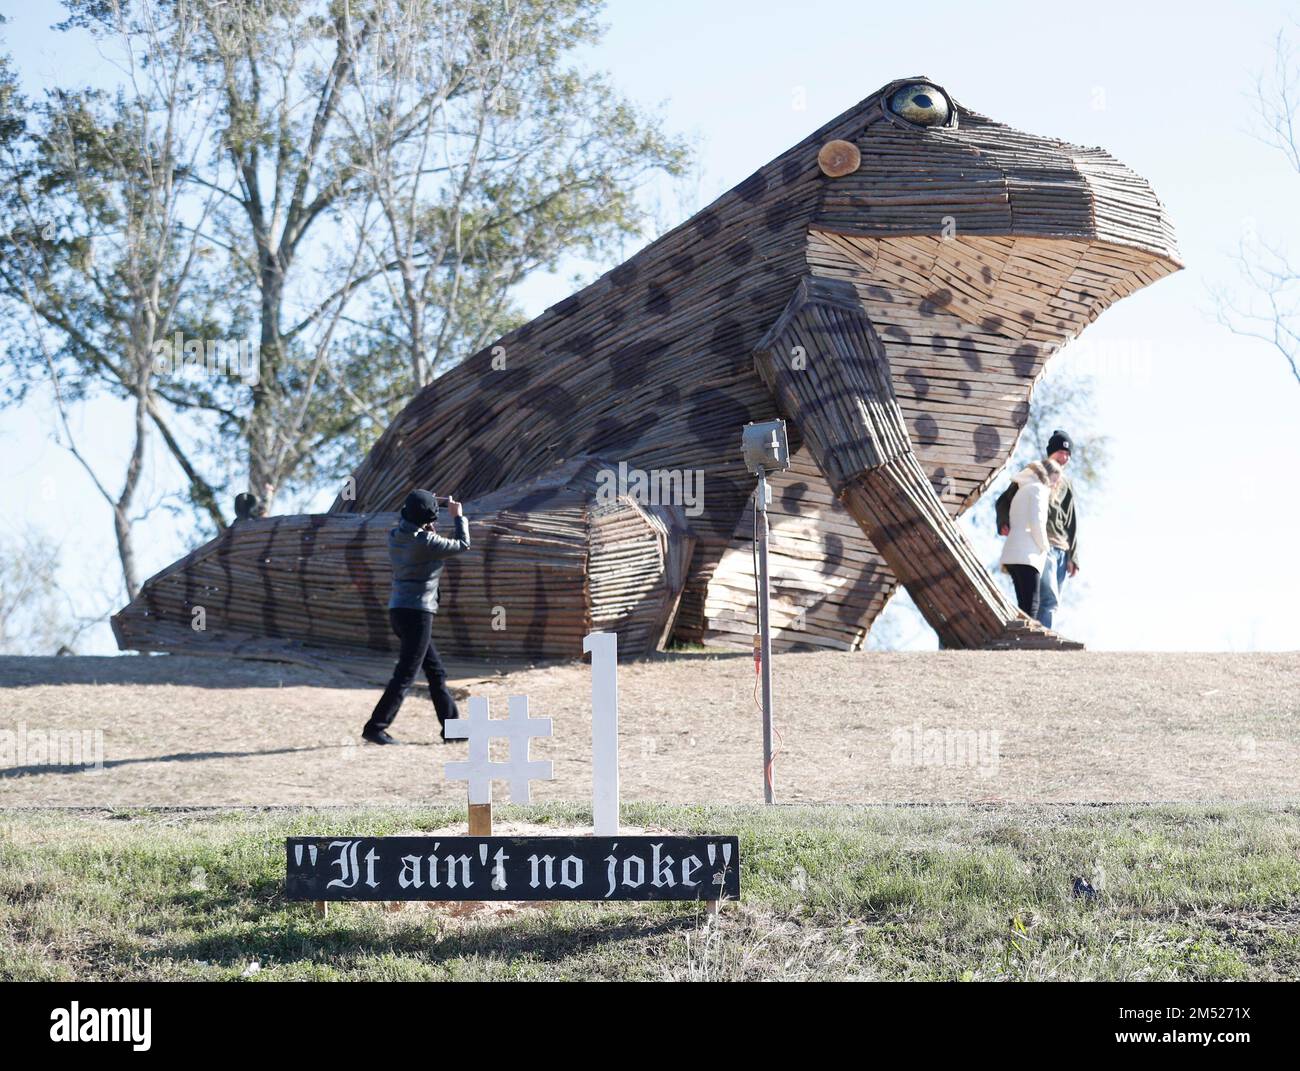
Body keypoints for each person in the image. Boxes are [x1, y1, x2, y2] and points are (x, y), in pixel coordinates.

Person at [362, 489, 470, 745]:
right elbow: (463, 544)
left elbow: (417, 529)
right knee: (406, 674)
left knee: (435, 672)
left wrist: (426, 507)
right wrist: (458, 517)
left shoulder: (396, 535)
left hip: (398, 610)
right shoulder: (426, 543)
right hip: (418, 613)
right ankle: (376, 727)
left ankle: (452, 730)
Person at [996, 429, 1080, 629]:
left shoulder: (1066, 483)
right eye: (1060, 452)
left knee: (1053, 602)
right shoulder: (1034, 475)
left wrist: (1073, 555)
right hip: (1043, 543)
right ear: (1051, 452)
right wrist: (1003, 521)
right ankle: (1038, 640)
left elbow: (1072, 521)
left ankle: (1042, 634)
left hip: (1062, 548)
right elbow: (1003, 501)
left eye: (1068, 454)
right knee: (1045, 598)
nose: (1064, 457)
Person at [998, 457, 1062, 618]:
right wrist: (1045, 548)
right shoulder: (1039, 489)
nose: (1054, 485)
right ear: (1047, 476)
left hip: (1013, 554)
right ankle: (1026, 642)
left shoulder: (1023, 488)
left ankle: (1017, 639)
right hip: (1027, 556)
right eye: (1054, 480)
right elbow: (1037, 522)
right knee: (1032, 606)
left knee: (1023, 605)